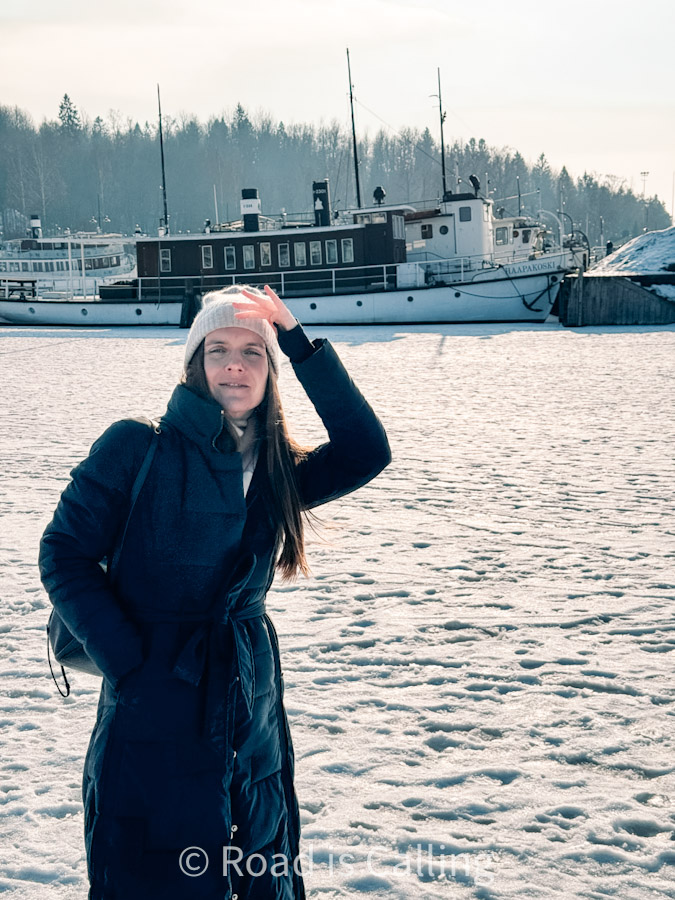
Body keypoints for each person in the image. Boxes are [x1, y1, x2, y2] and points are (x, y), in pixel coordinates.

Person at [39, 285, 391, 899]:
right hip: (154, 688)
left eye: (253, 352)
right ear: (195, 365)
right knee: (155, 868)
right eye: (218, 349)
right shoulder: (136, 445)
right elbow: (63, 553)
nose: (235, 365)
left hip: (249, 690)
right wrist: (131, 665)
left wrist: (297, 343)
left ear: (269, 371)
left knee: (255, 854)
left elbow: (367, 450)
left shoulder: (278, 468)